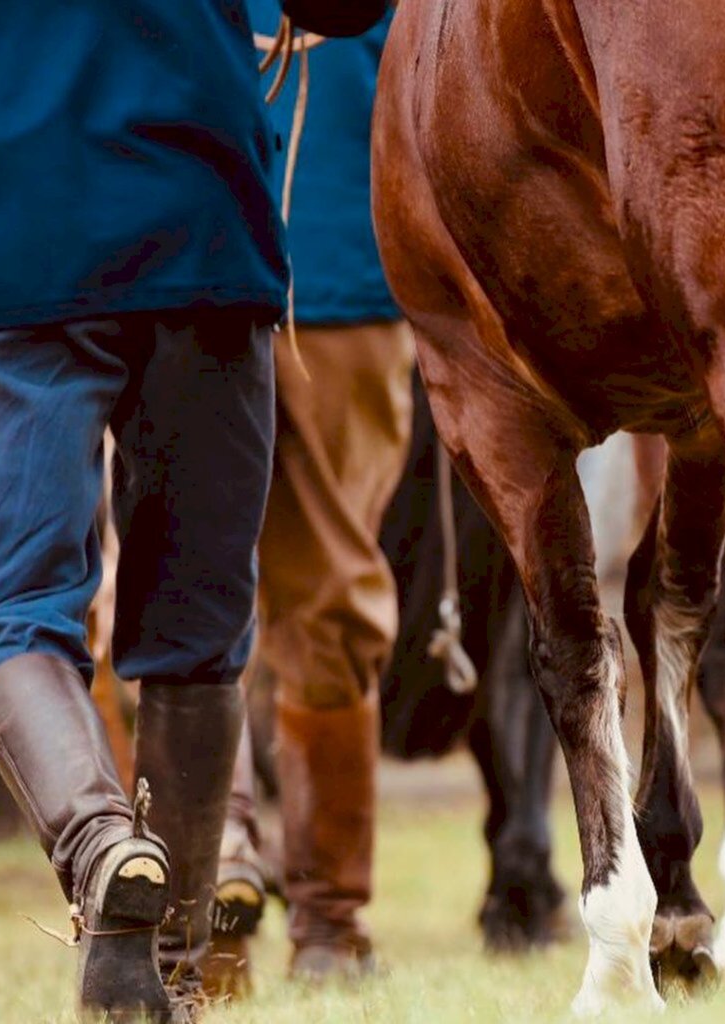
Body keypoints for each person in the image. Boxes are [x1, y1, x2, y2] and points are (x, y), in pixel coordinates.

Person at [0, 1, 384, 1019]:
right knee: (197, 636)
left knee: (15, 611)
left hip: (19, 241)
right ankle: (165, 968)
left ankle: (101, 842)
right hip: (204, 228)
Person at [207, 3, 415, 990]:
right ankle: (320, 926)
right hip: (332, 274)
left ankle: (216, 897)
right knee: (328, 591)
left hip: (239, 273)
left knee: (160, 576)